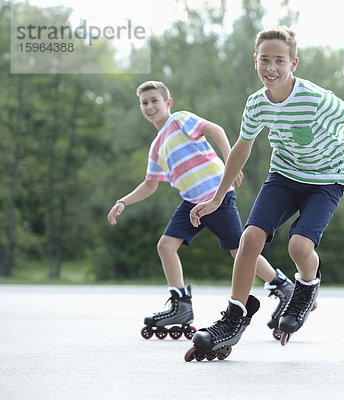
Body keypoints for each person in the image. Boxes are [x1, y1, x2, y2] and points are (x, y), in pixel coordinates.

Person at [184, 26, 344, 359]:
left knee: (299, 245)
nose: (271, 68)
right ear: (255, 61)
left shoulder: (315, 98)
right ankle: (233, 317)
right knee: (249, 239)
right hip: (284, 175)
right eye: (265, 60)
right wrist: (218, 196)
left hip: (328, 177)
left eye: (279, 61)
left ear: (293, 63)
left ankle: (307, 286)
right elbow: (241, 147)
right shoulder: (256, 105)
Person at [107, 80, 293, 340]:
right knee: (165, 245)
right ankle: (181, 304)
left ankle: (282, 286)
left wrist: (232, 162)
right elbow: (150, 184)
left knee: (239, 250)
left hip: (217, 193)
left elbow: (215, 129)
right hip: (190, 202)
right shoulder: (156, 146)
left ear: (167, 103)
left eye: (154, 101)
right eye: (144, 103)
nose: (149, 106)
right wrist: (123, 201)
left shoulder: (179, 120)